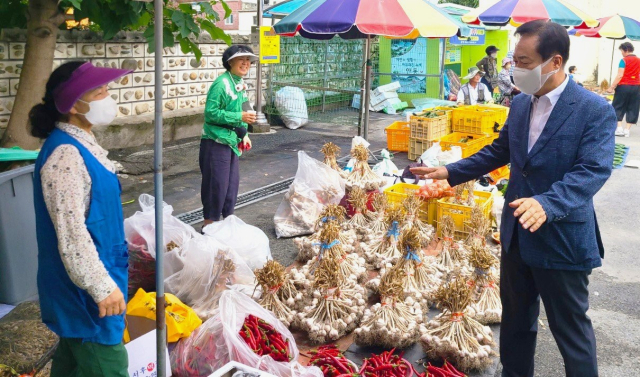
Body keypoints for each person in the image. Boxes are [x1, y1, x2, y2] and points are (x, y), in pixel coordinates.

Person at [411, 20, 616, 377]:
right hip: (516, 236)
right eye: (513, 60)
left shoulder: (592, 109)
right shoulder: (520, 103)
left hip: (562, 239)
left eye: (523, 61)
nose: (514, 69)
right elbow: (500, 150)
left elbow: (592, 170)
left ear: (554, 62)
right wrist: (451, 171)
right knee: (516, 323)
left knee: (571, 332)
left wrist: (548, 203)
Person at [30, 61, 132, 376]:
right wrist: (101, 286)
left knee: (72, 364)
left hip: (94, 280)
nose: (109, 97)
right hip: (85, 292)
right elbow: (71, 234)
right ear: (75, 105)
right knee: (108, 364)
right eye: (100, 91)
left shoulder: (83, 143)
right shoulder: (66, 156)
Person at [200, 45, 258, 229]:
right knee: (215, 185)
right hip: (215, 141)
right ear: (230, 61)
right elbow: (210, 113)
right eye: (241, 59)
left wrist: (245, 134)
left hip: (231, 141)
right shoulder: (221, 84)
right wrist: (239, 118)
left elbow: (242, 108)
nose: (245, 63)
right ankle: (209, 226)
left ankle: (226, 224)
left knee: (230, 186)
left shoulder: (238, 83)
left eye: (248, 60)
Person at [608, 41, 640, 137]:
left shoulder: (624, 60)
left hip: (623, 86)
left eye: (622, 51)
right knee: (633, 106)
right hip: (636, 87)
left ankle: (619, 128)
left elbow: (620, 75)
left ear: (625, 50)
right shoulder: (639, 60)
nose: (621, 53)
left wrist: (612, 87)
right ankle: (627, 130)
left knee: (618, 105)